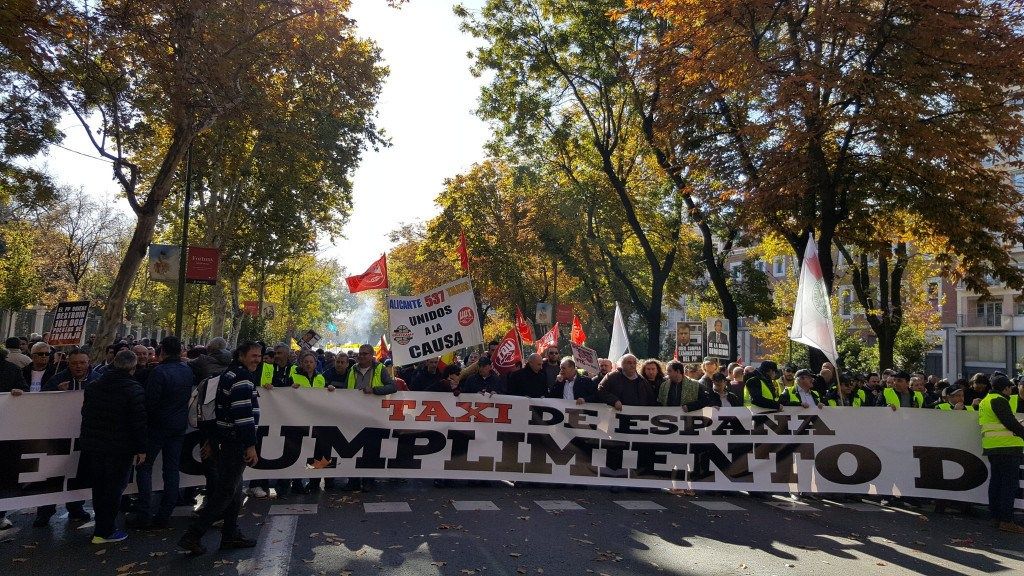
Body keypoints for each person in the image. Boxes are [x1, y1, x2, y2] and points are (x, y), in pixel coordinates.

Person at [178, 342, 262, 555]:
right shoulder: (242, 378)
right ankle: (193, 535)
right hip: (236, 442)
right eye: (253, 355)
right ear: (241, 356)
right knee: (226, 492)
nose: (257, 359)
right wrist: (250, 445)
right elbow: (242, 415)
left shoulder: (229, 374)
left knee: (233, 491)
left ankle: (230, 534)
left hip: (228, 440)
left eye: (259, 356)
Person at [79, 350, 147, 544]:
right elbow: (138, 422)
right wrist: (141, 448)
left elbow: (86, 412)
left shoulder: (94, 386)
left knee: (99, 487)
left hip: (95, 445)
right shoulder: (134, 389)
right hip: (119, 448)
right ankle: (105, 530)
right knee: (114, 488)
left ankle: (101, 527)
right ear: (133, 368)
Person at [130, 336, 194, 529]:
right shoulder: (187, 370)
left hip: (157, 426)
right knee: (171, 469)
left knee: (144, 466)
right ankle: (165, 513)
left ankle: (144, 512)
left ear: (162, 352)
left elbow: (151, 402)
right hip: (178, 425)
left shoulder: (159, 372)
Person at [976, 374, 1024, 533]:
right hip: (1007, 448)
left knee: (996, 482)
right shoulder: (999, 400)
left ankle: (996, 517)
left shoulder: (985, 401)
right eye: (1011, 388)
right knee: (1009, 485)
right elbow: (1010, 423)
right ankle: (1006, 520)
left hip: (993, 447)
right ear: (1005, 388)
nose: (1012, 391)